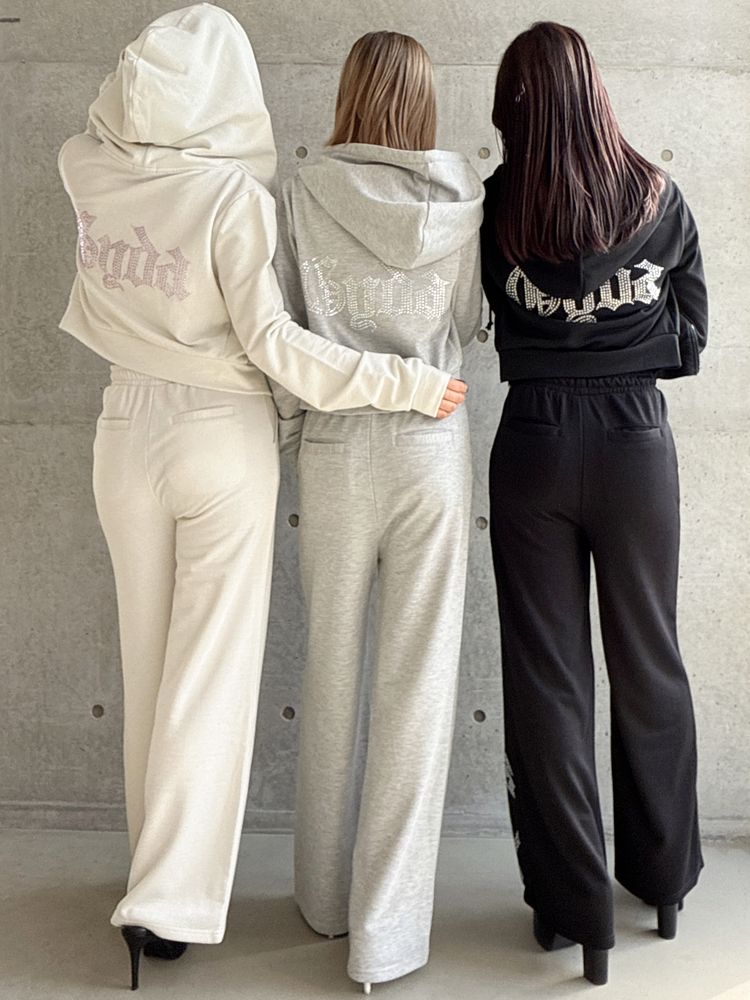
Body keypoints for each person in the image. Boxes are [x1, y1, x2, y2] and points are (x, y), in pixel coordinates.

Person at [57, 5, 465, 990]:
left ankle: (150, 884)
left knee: (148, 666)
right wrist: (405, 382)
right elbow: (276, 346)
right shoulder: (235, 199)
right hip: (221, 435)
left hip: (122, 432)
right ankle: (168, 901)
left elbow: (101, 136)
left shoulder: (86, 167)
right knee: (208, 679)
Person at [480, 21, 707, 987]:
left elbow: (489, 309)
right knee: (648, 659)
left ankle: (576, 914)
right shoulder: (659, 197)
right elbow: (691, 335)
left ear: (515, 105)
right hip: (634, 441)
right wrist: (626, 344)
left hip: (532, 440)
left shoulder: (499, 205)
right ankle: (662, 883)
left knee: (549, 681)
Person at [271, 30, 483, 993]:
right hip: (431, 446)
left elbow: (282, 332)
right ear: (426, 101)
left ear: (349, 93)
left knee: (331, 673)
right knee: (417, 689)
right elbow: (469, 322)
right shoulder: (464, 199)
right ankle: (385, 941)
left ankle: (322, 900)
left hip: (335, 448)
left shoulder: (301, 191)